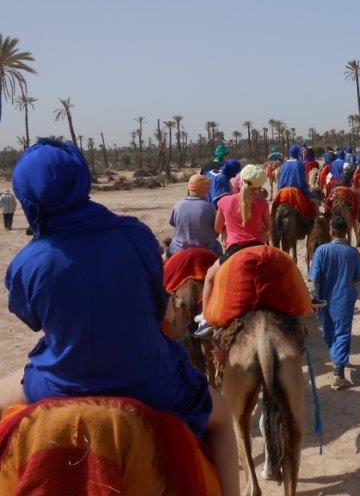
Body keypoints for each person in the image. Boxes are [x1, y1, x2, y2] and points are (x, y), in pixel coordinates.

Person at [0, 139, 239, 495]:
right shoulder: (135, 234)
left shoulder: (26, 263)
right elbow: (157, 303)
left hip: (61, 379)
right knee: (221, 418)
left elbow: (34, 320)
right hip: (154, 381)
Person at [194, 164, 271, 338]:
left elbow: (217, 228)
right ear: (259, 185)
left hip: (234, 250)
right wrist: (261, 231)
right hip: (259, 248)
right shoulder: (262, 203)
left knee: (210, 277)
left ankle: (205, 318)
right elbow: (268, 228)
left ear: (240, 180)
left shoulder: (224, 201)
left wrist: (227, 231)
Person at [309, 214, 360, 390]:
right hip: (344, 298)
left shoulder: (322, 250)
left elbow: (315, 278)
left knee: (329, 331)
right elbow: (359, 276)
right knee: (342, 332)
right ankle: (339, 365)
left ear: (332, 231)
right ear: (346, 231)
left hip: (324, 299)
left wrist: (314, 297)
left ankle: (338, 371)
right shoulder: (353, 252)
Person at [167, 174, 222, 257]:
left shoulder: (177, 206)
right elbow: (216, 230)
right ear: (204, 189)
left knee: (161, 259)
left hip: (178, 249)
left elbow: (175, 226)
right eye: (208, 188)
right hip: (207, 248)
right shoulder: (209, 207)